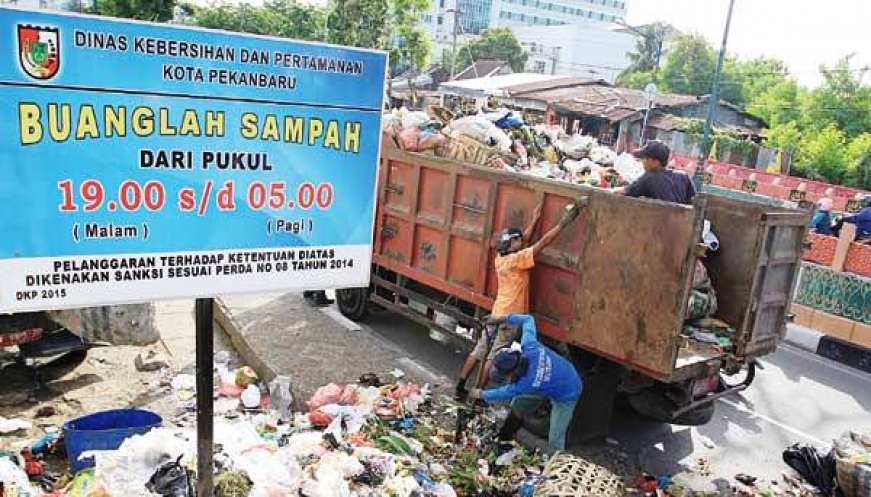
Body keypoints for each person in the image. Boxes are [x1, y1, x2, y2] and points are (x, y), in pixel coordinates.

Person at [454, 202, 579, 399]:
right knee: (495, 356)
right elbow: (542, 242)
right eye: (518, 240)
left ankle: (460, 387)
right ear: (512, 243)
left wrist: (535, 219)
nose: (523, 241)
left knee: (480, 350)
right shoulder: (518, 260)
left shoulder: (501, 258)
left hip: (496, 312)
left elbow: (525, 239)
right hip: (511, 316)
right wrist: (564, 223)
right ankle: (479, 393)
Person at [468, 314, 582, 452]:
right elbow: (528, 319)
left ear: (514, 371)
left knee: (555, 438)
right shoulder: (530, 345)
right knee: (517, 405)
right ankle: (505, 438)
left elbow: (503, 393)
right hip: (555, 377)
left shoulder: (527, 383)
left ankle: (557, 467)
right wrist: (504, 319)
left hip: (568, 390)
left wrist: (480, 393)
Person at [619, 140, 696, 205]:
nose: (642, 162)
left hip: (658, 221)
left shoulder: (649, 177)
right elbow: (693, 201)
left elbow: (622, 193)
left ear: (655, 162)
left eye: (645, 159)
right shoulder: (683, 176)